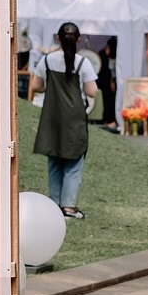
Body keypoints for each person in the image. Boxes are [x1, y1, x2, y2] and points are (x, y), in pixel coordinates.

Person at [32, 22, 98, 219]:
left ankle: (54, 206)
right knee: (73, 165)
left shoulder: (46, 60)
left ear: (58, 38)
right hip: (74, 120)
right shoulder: (83, 63)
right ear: (79, 39)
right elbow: (91, 91)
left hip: (52, 118)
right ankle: (68, 208)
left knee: (54, 163)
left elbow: (36, 86)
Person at [96, 36, 118, 132]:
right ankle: (106, 118)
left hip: (114, 83)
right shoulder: (102, 55)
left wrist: (113, 81)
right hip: (105, 83)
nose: (106, 49)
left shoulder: (118, 57)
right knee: (106, 100)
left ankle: (112, 119)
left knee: (112, 101)